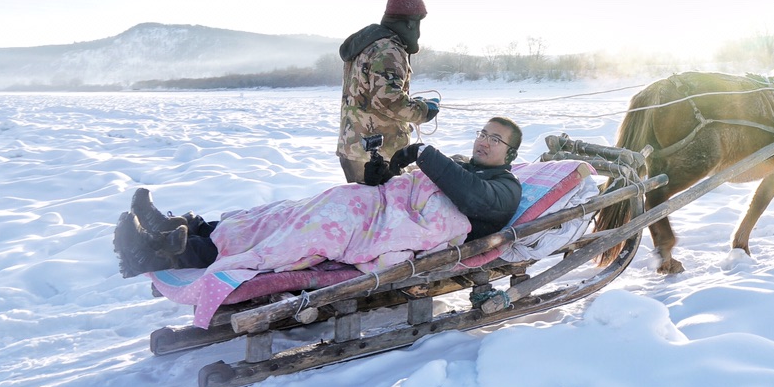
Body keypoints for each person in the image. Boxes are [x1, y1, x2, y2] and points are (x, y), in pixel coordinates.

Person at [112, 116, 527, 275]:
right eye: (483, 134)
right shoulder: (460, 164)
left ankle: (164, 255)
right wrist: (388, 169)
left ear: (510, 153)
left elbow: (472, 199)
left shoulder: (505, 187)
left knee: (304, 231)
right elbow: (395, 189)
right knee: (283, 213)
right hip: (373, 207)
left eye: (496, 139)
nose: (485, 142)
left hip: (394, 226)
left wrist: (423, 153)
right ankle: (184, 229)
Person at [337, 0, 432, 183]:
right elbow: (389, 101)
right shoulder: (389, 49)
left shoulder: (368, 44)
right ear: (410, 23)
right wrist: (424, 111)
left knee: (364, 210)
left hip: (354, 149)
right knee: (381, 211)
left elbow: (372, 97)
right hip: (378, 157)